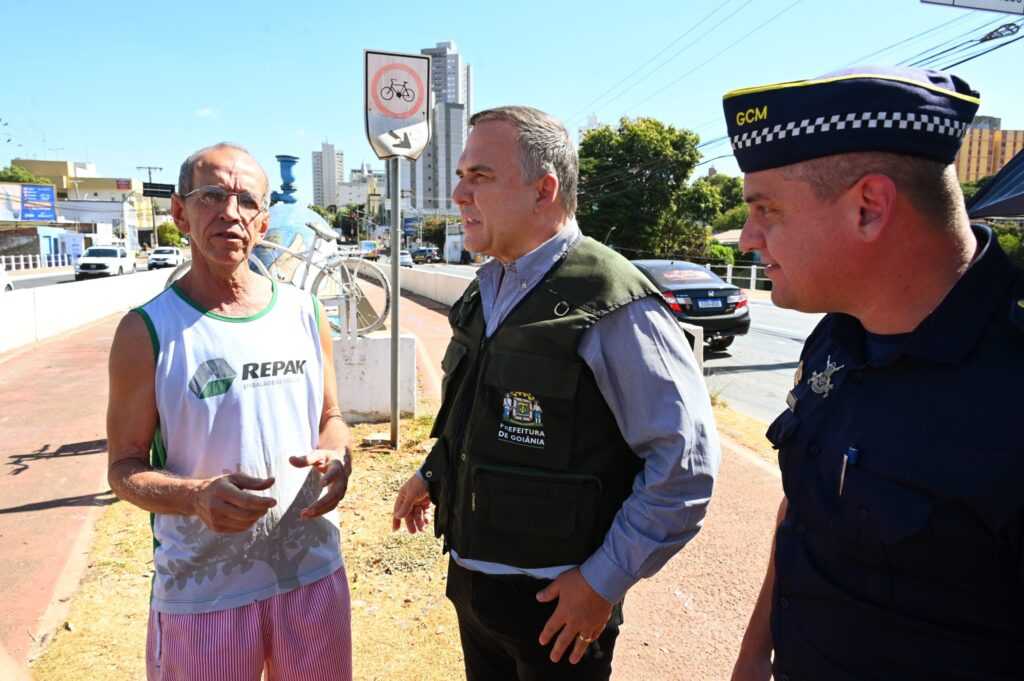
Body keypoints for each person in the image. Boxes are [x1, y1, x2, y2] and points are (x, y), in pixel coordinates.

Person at [391, 106, 720, 681]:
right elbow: (476, 410)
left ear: (544, 190)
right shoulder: (485, 288)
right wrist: (435, 472)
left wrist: (602, 582)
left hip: (558, 604)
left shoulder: (611, 300)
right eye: (462, 174)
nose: (458, 192)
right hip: (473, 585)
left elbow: (683, 464)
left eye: (480, 177)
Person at [723, 67, 1024, 681]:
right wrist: (753, 659)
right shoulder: (838, 333)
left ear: (869, 207)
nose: (748, 239)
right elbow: (804, 509)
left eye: (767, 210)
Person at [106, 143, 353, 681]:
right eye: (212, 195)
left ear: (263, 222)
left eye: (246, 200)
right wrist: (194, 498)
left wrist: (336, 456)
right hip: (203, 597)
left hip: (312, 577)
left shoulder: (304, 312)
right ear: (180, 213)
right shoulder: (146, 331)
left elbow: (331, 415)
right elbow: (123, 468)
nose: (229, 212)